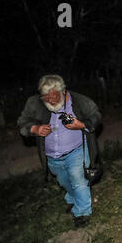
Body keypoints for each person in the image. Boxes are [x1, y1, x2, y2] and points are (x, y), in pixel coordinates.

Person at [17, 74, 102, 228]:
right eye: (45, 97)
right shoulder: (34, 103)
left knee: (78, 181)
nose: (50, 100)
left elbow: (96, 117)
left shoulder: (80, 101)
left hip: (77, 151)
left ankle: (82, 212)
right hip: (52, 157)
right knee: (64, 181)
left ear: (63, 91)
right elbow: (22, 122)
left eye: (54, 96)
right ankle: (73, 198)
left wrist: (82, 125)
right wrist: (34, 128)